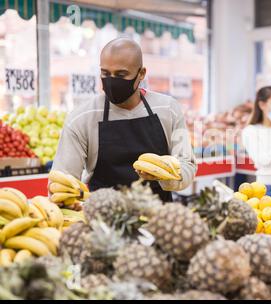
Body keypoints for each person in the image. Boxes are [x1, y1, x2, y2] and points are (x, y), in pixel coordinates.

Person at [52, 38, 196, 202]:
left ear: (141, 74)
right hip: (102, 219)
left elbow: (187, 164)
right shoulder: (82, 118)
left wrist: (165, 176)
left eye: (121, 74)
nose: (112, 81)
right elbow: (61, 181)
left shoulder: (168, 109)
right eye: (105, 74)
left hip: (157, 219)